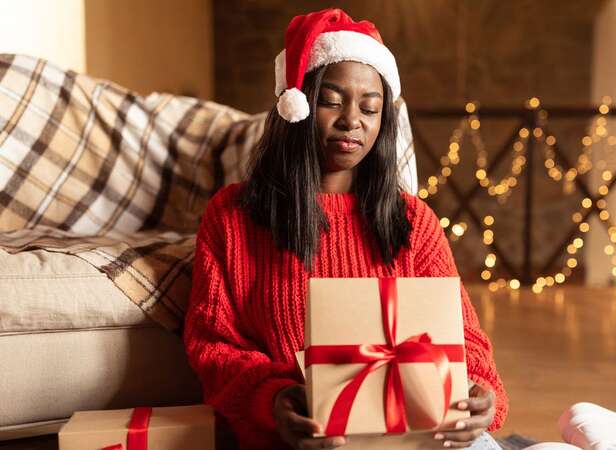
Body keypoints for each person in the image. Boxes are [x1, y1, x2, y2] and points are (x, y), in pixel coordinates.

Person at [183, 8, 508, 450]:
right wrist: (272, 398)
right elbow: (213, 344)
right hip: (307, 439)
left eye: (370, 108)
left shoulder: (414, 220)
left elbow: (464, 338)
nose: (352, 120)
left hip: (417, 435)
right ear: (295, 105)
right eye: (332, 101)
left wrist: (480, 391)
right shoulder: (233, 216)